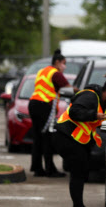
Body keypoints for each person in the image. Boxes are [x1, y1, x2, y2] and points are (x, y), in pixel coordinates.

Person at [52, 73, 106, 207]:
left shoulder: (105, 102)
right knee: (78, 172)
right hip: (66, 136)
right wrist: (94, 115)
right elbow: (74, 112)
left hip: (78, 140)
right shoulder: (90, 96)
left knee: (82, 171)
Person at [28, 49, 77, 177]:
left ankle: (37, 168)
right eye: (63, 63)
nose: (64, 67)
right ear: (57, 62)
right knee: (47, 138)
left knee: (38, 138)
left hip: (34, 104)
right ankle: (50, 170)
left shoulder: (42, 71)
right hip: (44, 106)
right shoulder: (56, 74)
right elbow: (68, 89)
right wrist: (79, 90)